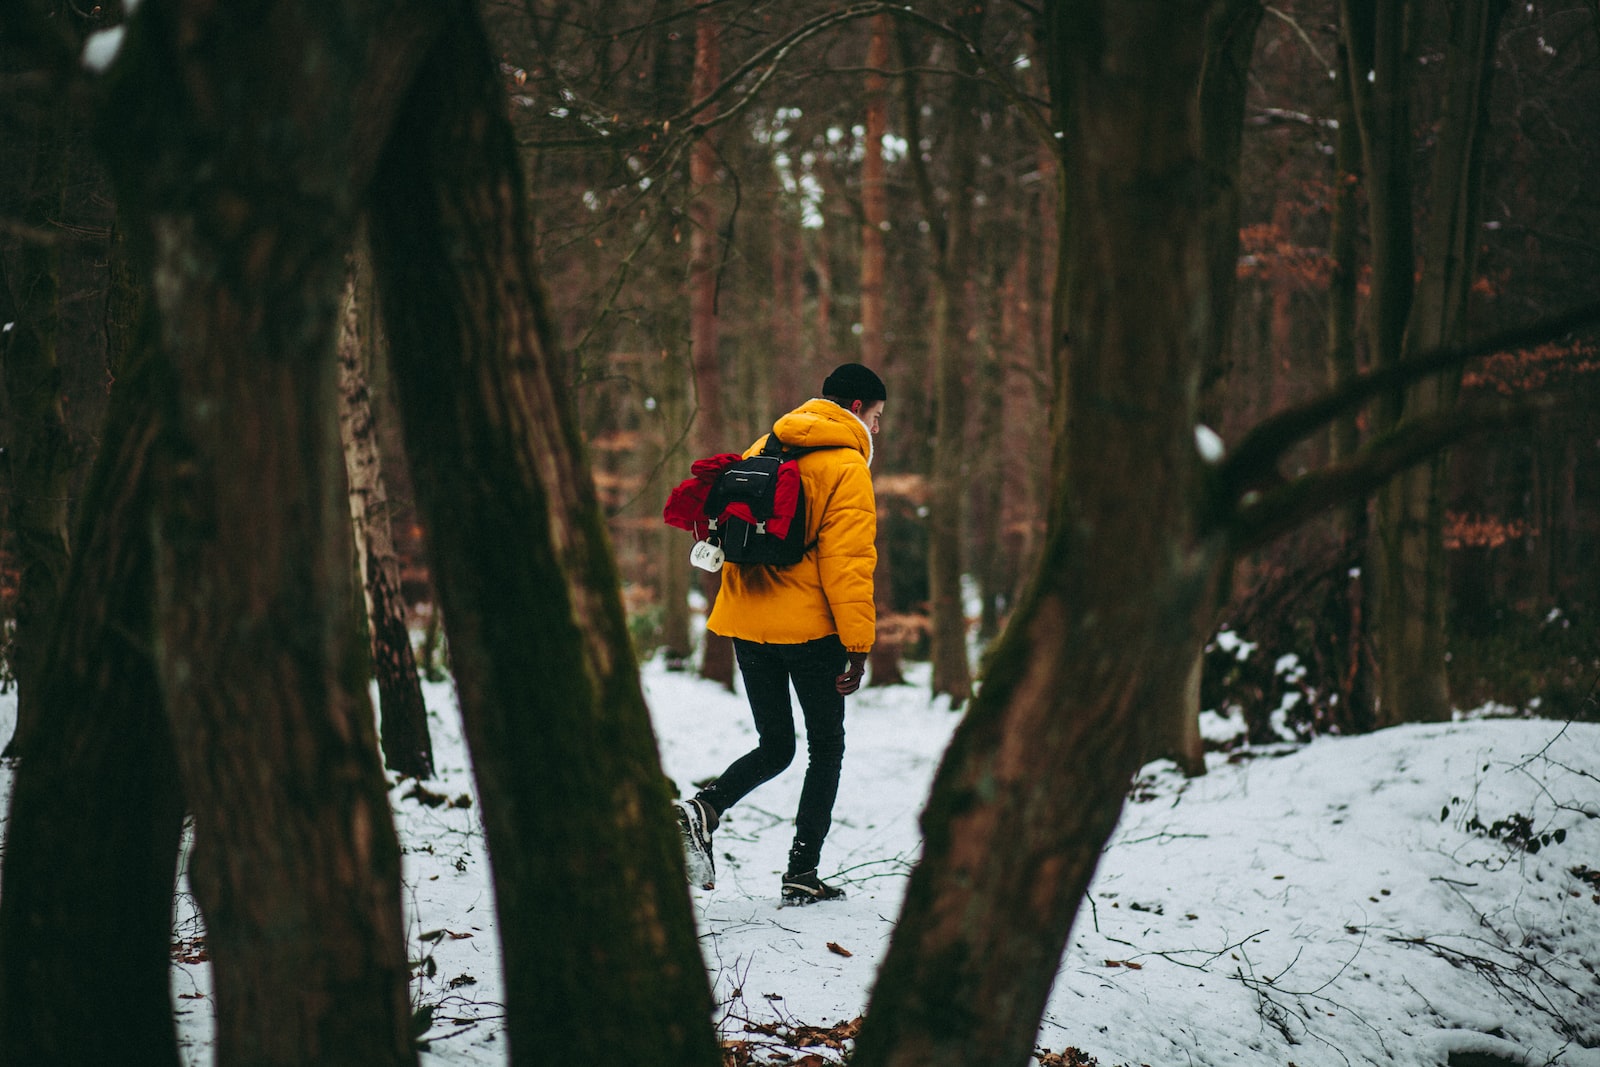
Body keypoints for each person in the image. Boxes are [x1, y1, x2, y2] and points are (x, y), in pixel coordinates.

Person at [677, 362, 884, 905]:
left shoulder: (765, 445)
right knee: (826, 748)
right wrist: (858, 645)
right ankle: (801, 873)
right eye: (879, 417)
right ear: (857, 409)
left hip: (746, 621)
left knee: (775, 745)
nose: (878, 430)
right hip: (811, 629)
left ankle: (703, 809)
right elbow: (849, 563)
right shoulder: (846, 466)